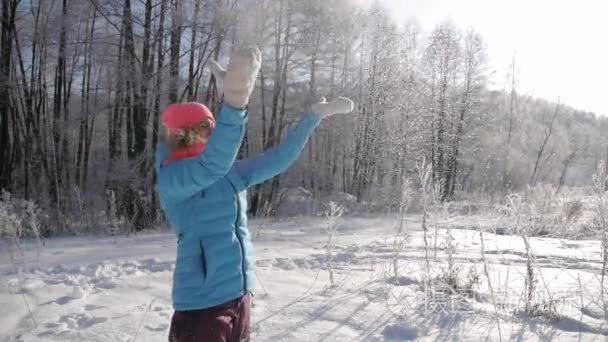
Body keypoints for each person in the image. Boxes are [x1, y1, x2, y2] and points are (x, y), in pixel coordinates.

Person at [155, 46, 354, 342]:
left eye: (212, 127)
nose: (211, 134)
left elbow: (279, 159)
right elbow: (213, 164)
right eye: (205, 129)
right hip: (202, 308)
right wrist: (235, 103)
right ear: (183, 135)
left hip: (239, 298)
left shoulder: (228, 173)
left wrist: (313, 117)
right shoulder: (174, 177)